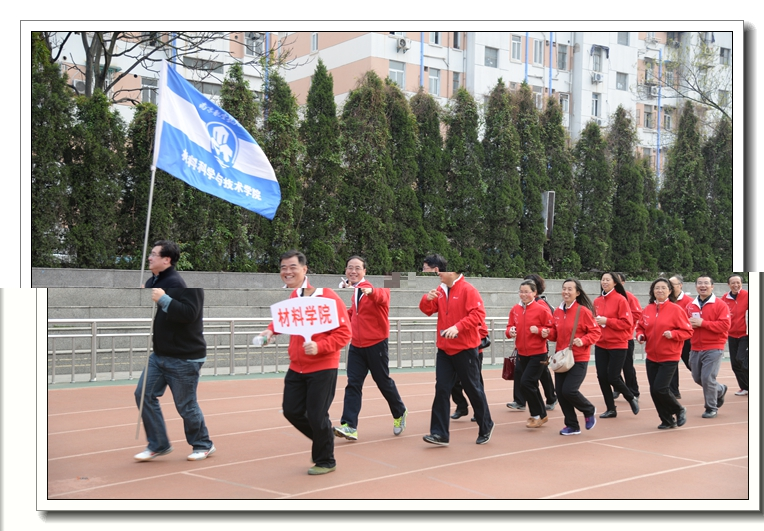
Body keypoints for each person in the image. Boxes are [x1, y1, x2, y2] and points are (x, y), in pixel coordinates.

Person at [258, 250, 352, 475]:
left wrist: (321, 346)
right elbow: (284, 322)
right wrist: (270, 331)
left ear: (304, 270)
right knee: (291, 411)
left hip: (323, 366)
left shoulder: (328, 296)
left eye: (292, 267)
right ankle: (323, 439)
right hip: (297, 366)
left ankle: (326, 460)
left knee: (317, 414)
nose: (287, 272)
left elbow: (345, 333)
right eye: (283, 268)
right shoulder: (294, 298)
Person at [134, 286, 215, 461]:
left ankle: (203, 444)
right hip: (159, 356)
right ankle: (158, 444)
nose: (150, 258)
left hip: (184, 358)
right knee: (143, 394)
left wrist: (163, 299)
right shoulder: (162, 282)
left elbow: (189, 314)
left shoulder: (190, 286)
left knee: (186, 405)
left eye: (155, 256)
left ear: (167, 260)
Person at [333, 256, 407, 441]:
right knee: (353, 384)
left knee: (383, 382)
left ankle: (399, 412)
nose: (353, 271)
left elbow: (382, 296)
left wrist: (370, 291)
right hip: (356, 346)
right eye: (350, 268)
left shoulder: (373, 289)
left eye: (357, 268)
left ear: (364, 271)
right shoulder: (355, 292)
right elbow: (353, 313)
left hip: (376, 344)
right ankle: (349, 425)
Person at [419, 268, 494, 445]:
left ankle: (486, 424)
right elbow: (427, 310)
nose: (438, 273)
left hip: (465, 349)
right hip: (445, 349)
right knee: (442, 389)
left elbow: (478, 315)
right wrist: (426, 299)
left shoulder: (468, 290)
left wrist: (458, 327)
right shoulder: (440, 290)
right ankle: (439, 434)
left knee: (473, 388)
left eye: (441, 270)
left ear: (453, 272)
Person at [543, 278, 601, 435]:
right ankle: (572, 425)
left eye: (570, 289)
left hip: (579, 358)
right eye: (564, 288)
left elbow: (596, 332)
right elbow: (556, 334)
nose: (566, 292)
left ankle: (588, 410)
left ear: (577, 293)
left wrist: (583, 340)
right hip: (562, 358)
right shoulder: (558, 311)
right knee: (560, 393)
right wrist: (548, 333)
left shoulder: (583, 311)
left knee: (569, 390)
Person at [636, 278, 694, 429]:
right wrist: (640, 336)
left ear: (669, 291)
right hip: (651, 356)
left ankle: (678, 409)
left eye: (663, 288)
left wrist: (673, 334)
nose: (660, 290)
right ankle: (667, 419)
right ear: (652, 291)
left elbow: (688, 331)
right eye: (657, 288)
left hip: (669, 356)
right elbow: (641, 327)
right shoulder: (647, 309)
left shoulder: (676, 310)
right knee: (654, 390)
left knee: (660, 388)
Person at [506, 279, 555, 428]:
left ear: (534, 293)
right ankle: (541, 415)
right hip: (522, 353)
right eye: (521, 291)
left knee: (526, 382)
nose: (523, 294)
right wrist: (510, 331)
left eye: (527, 291)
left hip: (538, 353)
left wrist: (540, 331)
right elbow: (509, 327)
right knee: (528, 384)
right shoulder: (515, 309)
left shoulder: (541, 309)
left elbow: (552, 331)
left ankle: (537, 415)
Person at [593, 272, 639, 418]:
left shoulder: (621, 299)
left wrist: (607, 321)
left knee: (613, 376)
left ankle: (630, 396)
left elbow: (627, 323)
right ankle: (611, 408)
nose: (604, 282)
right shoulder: (598, 301)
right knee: (601, 376)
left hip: (618, 343)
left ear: (615, 283)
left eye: (608, 279)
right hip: (601, 343)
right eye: (603, 279)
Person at [687, 275, 731, 418]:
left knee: (707, 378)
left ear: (712, 286)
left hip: (714, 347)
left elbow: (725, 325)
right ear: (696, 287)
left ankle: (711, 407)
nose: (703, 286)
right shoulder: (690, 305)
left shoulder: (720, 305)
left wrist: (703, 323)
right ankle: (719, 389)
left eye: (706, 283)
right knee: (697, 377)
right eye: (700, 283)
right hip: (695, 347)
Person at [612, 273, 642, 402]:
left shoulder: (629, 297)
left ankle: (633, 390)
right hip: (610, 338)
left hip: (626, 337)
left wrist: (622, 321)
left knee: (627, 366)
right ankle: (618, 387)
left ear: (622, 283)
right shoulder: (605, 298)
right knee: (611, 367)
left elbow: (637, 314)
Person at [723, 275, 748, 397]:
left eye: (738, 282)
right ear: (728, 285)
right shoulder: (724, 298)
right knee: (735, 364)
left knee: (742, 360)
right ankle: (744, 387)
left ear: (741, 283)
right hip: (732, 334)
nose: (735, 285)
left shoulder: (748, 295)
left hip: (746, 334)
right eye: (733, 283)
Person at [668, 274, 693, 397]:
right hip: (670, 338)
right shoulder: (666, 300)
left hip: (685, 339)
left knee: (691, 365)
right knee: (671, 365)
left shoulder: (689, 302)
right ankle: (674, 391)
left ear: (680, 285)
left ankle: (711, 386)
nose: (670, 288)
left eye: (672, 285)